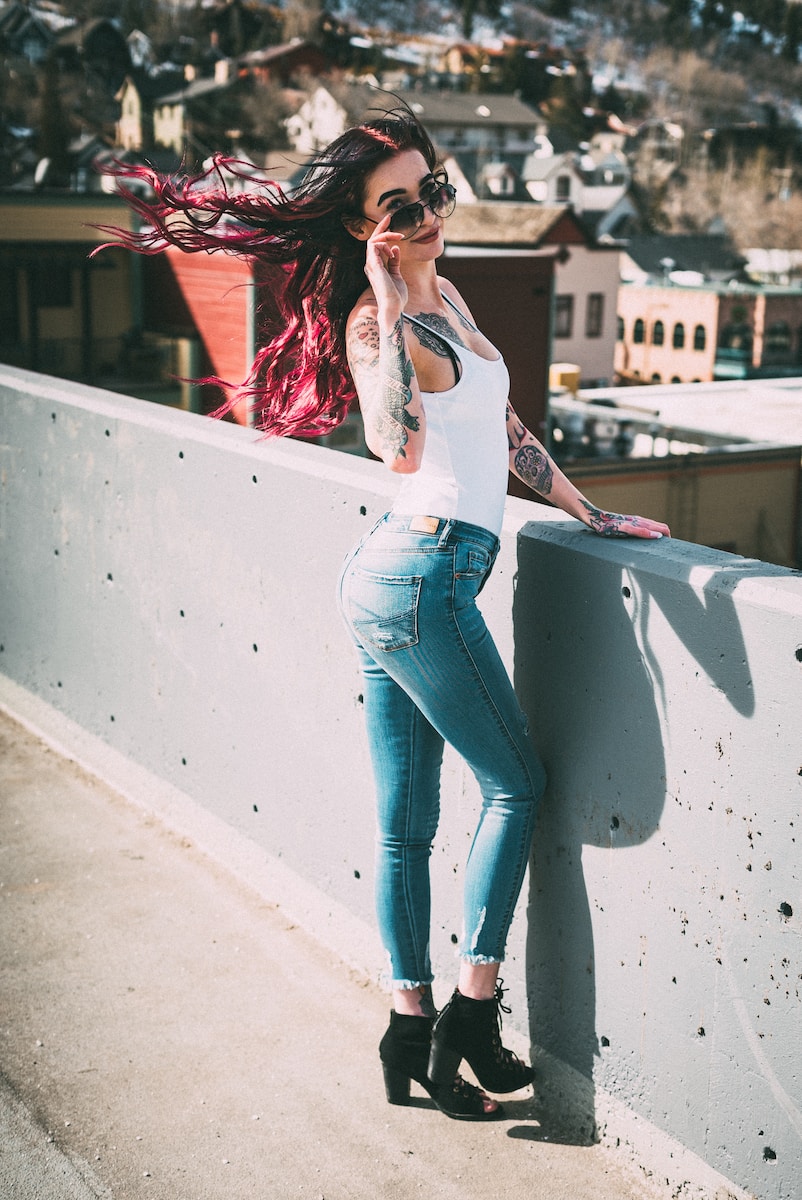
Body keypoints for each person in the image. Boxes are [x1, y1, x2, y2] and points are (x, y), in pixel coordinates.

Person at [102, 106, 670, 1122]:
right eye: (397, 205)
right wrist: (386, 298)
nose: (425, 215)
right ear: (366, 228)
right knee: (517, 787)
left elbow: (498, 426)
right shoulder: (382, 321)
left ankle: (407, 1030)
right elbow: (395, 448)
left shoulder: (446, 290)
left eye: (432, 190)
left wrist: (585, 508)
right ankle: (471, 1012)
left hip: (396, 577)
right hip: (420, 577)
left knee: (405, 825)